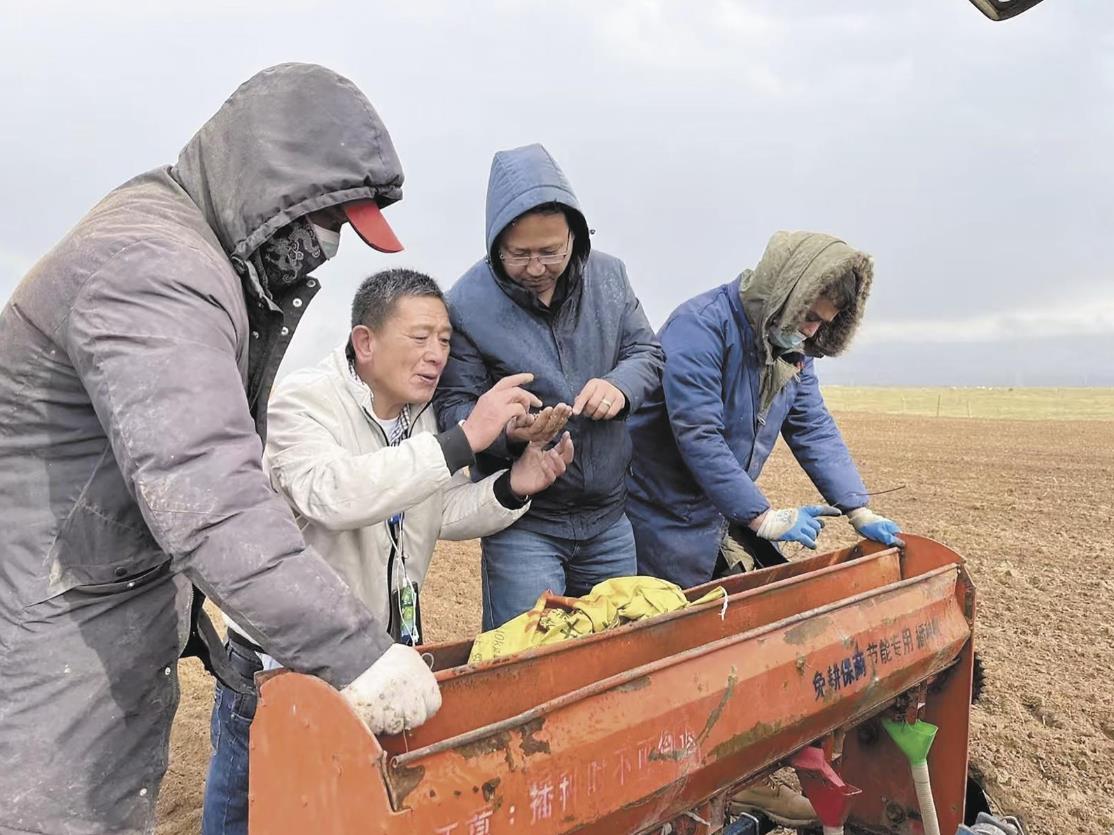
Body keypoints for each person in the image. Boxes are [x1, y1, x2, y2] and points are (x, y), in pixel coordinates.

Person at [0, 63, 437, 835]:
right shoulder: (154, 269)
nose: (328, 250)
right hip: (48, 624)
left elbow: (146, 476)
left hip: (92, 598)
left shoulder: (186, 251)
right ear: (276, 187)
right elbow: (207, 491)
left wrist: (205, 625)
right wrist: (356, 652)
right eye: (328, 222)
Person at [203, 268, 573, 835]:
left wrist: (514, 484)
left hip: (375, 651)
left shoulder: (419, 416)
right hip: (284, 661)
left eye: (445, 340)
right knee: (248, 809)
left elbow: (437, 509)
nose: (436, 355)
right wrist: (465, 439)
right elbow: (330, 494)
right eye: (419, 337)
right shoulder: (303, 403)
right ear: (365, 342)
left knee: (343, 808)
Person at [435, 143, 664, 630]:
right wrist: (510, 431)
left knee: (616, 653)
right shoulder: (465, 304)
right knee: (527, 662)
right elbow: (454, 406)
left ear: (575, 238)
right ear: (496, 244)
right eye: (520, 254)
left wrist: (620, 388)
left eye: (550, 252)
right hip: (525, 525)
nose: (536, 267)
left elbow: (647, 354)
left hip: (608, 521)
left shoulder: (610, 278)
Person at [627, 230, 904, 591]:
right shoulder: (700, 328)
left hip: (717, 509)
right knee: (663, 620)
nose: (810, 329)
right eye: (808, 314)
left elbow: (812, 426)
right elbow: (699, 434)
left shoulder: (790, 349)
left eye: (822, 322)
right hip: (658, 512)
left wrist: (857, 507)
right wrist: (760, 517)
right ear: (787, 293)